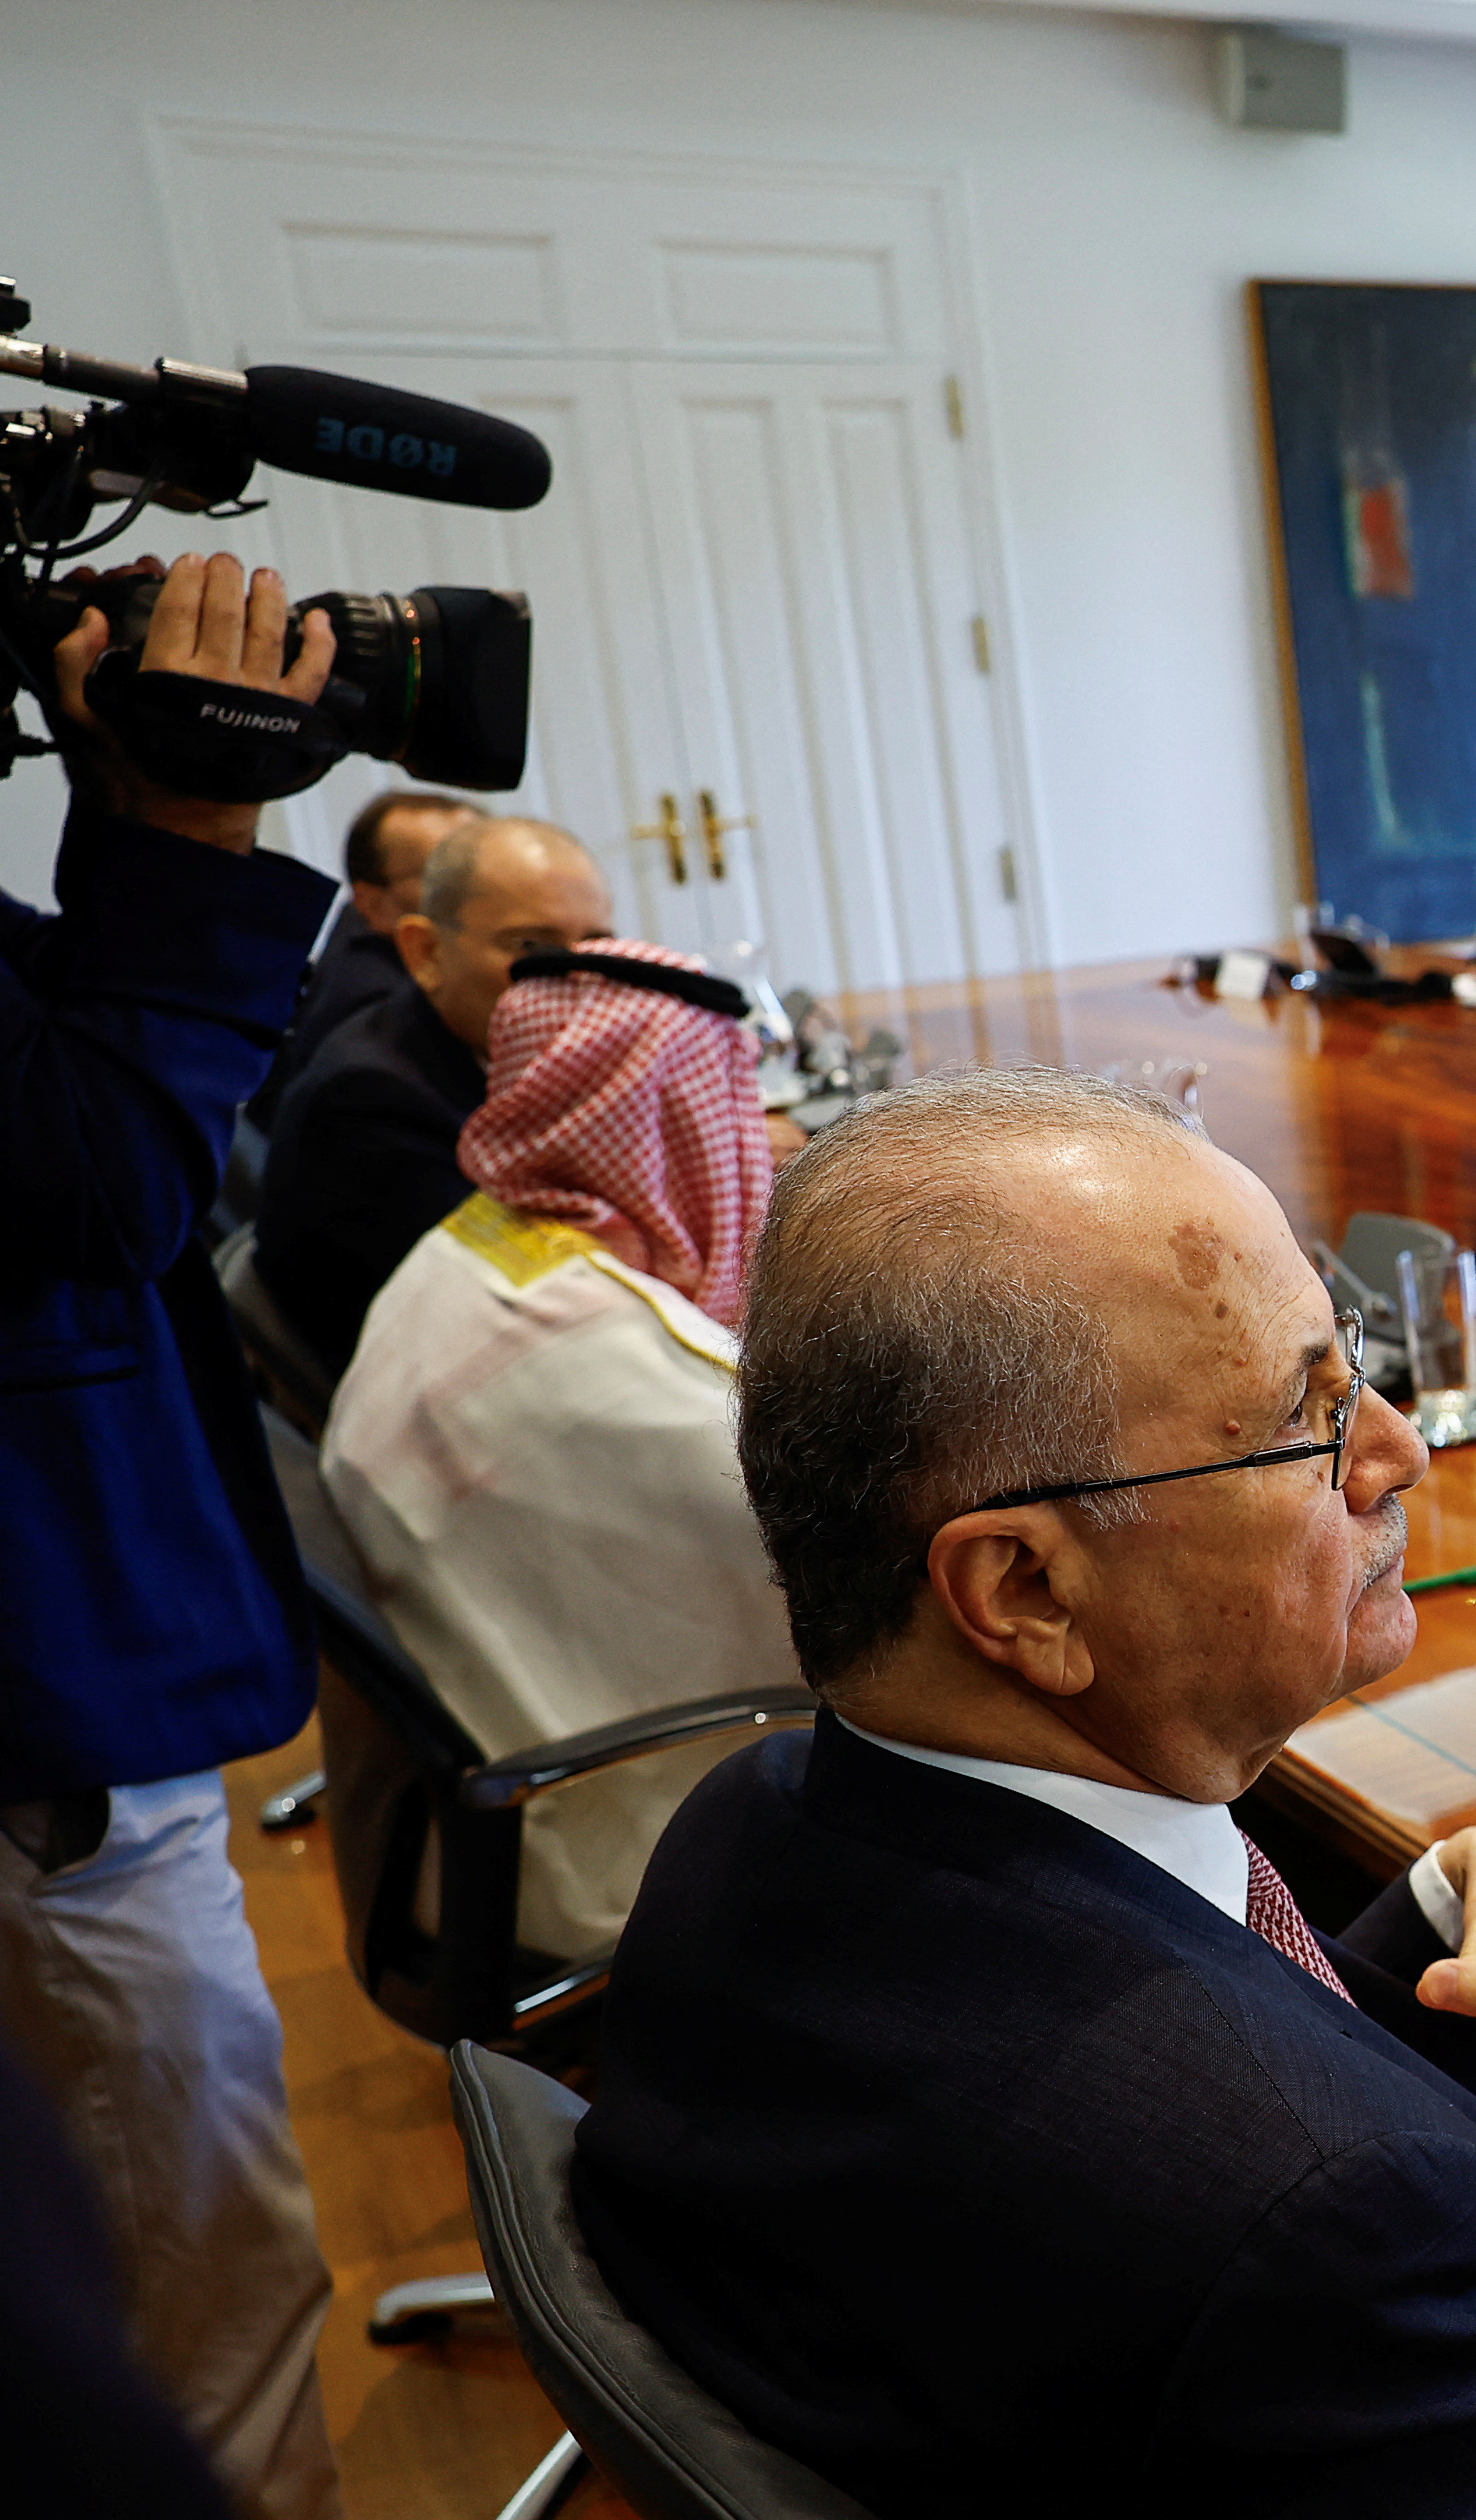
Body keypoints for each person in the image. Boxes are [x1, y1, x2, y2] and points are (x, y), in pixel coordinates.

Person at [574, 1068, 1476, 2517]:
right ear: (1025, 1586)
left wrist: (1440, 1911)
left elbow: (1199, 2034)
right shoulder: (1331, 2224)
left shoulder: (755, 1819)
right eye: (1311, 1416)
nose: (1400, 1449)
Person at [1, 551, 347, 2519]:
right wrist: (202, 811)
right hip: (51, 1739)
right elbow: (96, 1171)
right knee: (203, 2310)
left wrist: (118, 799)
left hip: (71, 1713)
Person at [321, 939, 785, 1963]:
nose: (751, 1141)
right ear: (682, 1122)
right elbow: (863, 1625)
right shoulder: (654, 1384)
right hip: (601, 1844)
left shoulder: (468, 1244)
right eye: (730, 1103)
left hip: (466, 1787)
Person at [254, 813, 611, 1371]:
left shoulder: (489, 1046)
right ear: (425, 953)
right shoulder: (370, 1098)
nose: (579, 976)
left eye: (594, 944)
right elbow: (543, 1297)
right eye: (530, 945)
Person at [243, 787, 473, 1130]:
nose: (479, 888)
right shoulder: (379, 1010)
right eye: (443, 876)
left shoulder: (361, 925)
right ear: (373, 901)